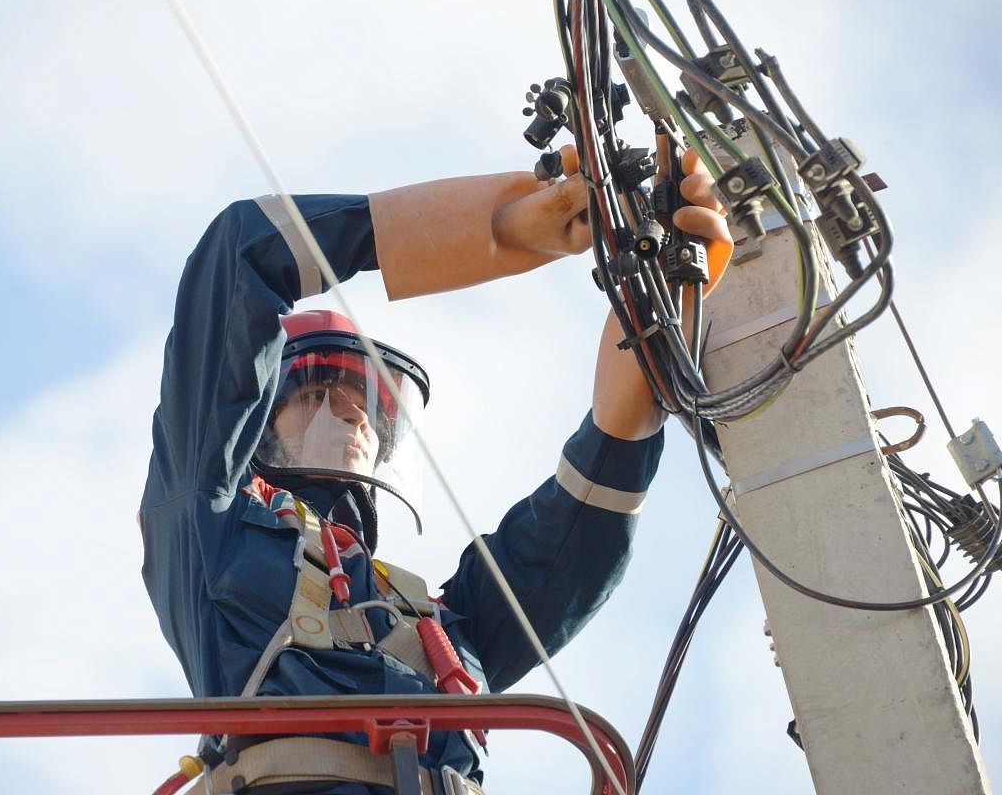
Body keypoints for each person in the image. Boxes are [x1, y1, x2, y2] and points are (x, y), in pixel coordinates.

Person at [139, 147, 732, 793]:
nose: (352, 418)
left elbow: (574, 533)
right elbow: (240, 255)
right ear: (255, 415)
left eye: (367, 407)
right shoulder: (210, 535)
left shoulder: (444, 626)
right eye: (315, 395)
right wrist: (501, 226)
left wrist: (658, 303)